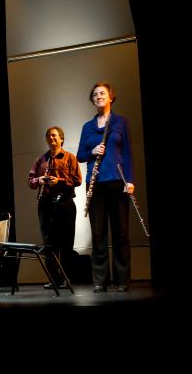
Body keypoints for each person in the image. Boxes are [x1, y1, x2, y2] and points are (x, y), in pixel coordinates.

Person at [76, 82, 134, 293]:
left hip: (118, 182)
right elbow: (81, 155)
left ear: (111, 97)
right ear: (92, 100)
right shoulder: (87, 127)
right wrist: (92, 150)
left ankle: (122, 280)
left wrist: (131, 180)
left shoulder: (121, 122)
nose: (98, 96)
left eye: (102, 93)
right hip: (95, 183)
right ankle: (100, 280)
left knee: (121, 233)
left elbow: (127, 152)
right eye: (95, 94)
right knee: (98, 234)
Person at [28, 126, 82, 289]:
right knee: (48, 244)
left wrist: (59, 180)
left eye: (54, 136)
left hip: (64, 202)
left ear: (61, 139)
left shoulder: (70, 157)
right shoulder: (41, 159)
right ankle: (54, 279)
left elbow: (77, 180)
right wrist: (40, 181)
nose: (51, 138)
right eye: (49, 136)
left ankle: (66, 278)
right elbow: (31, 181)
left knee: (66, 243)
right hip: (45, 203)